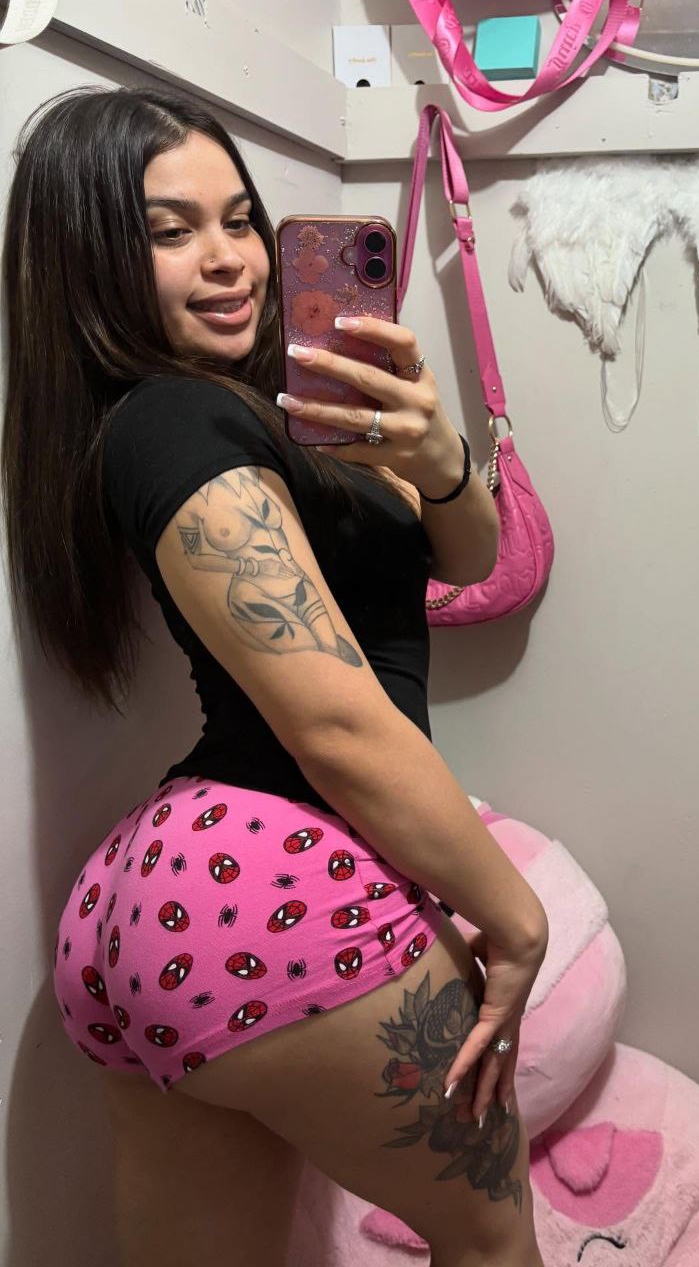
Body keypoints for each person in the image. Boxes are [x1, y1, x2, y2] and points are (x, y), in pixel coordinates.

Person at [1, 84, 548, 1267]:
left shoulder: (268, 412)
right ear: (88, 259)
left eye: (239, 218)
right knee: (494, 1242)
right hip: (274, 876)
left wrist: (433, 453)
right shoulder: (173, 422)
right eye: (169, 231)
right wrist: (515, 916)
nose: (228, 259)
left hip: (160, 901)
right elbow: (336, 722)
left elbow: (470, 557)